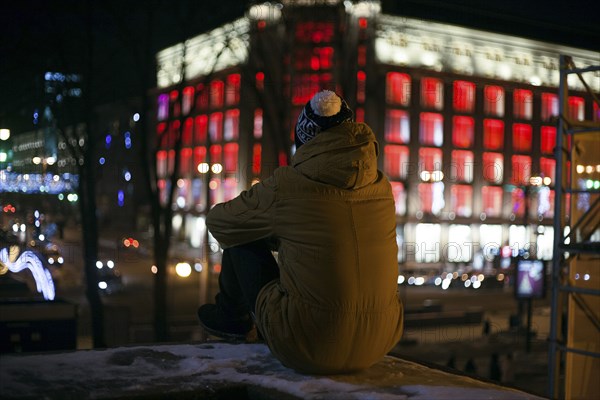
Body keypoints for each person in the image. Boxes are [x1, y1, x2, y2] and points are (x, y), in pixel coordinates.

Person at [198, 90, 404, 374]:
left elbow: (221, 222)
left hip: (307, 343)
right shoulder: (382, 188)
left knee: (242, 232)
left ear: (304, 142)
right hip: (381, 339)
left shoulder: (288, 186)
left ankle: (231, 320)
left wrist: (277, 234)